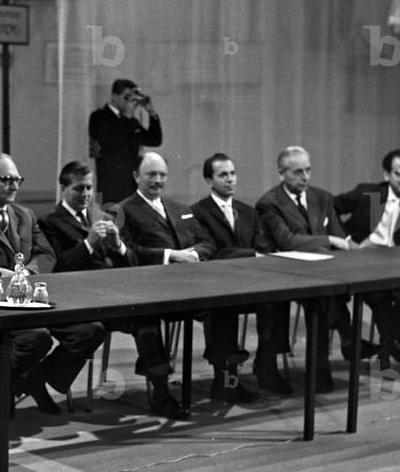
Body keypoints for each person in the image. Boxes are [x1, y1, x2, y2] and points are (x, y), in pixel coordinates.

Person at [0, 154, 106, 415]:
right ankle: (18, 386)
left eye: (18, 179)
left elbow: (47, 255)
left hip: (34, 300)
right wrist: (16, 277)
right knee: (36, 337)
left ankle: (23, 381)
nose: (15, 185)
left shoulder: (25, 215)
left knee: (90, 329)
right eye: (7, 179)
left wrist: (25, 273)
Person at [118, 151, 256, 411]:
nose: (158, 180)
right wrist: (172, 256)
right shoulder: (123, 210)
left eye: (162, 175)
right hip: (149, 291)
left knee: (223, 305)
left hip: (189, 289)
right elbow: (128, 252)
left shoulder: (180, 208)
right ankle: (160, 392)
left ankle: (226, 382)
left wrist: (193, 254)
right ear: (136, 176)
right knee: (145, 317)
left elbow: (207, 243)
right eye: (151, 175)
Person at [255, 145, 377, 393]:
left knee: (323, 298)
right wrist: (328, 240)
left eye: (308, 170)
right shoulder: (269, 203)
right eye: (297, 172)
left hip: (322, 275)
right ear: (281, 174)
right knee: (324, 296)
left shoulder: (322, 197)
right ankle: (341, 343)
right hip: (284, 272)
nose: (305, 177)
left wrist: (337, 243)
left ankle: (325, 363)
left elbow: (339, 235)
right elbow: (287, 241)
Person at [191, 153, 292, 396]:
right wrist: (250, 255)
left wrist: (255, 256)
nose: (230, 179)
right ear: (209, 180)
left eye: (232, 174)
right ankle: (225, 380)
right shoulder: (197, 212)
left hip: (251, 283)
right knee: (221, 305)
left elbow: (264, 247)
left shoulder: (248, 211)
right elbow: (211, 252)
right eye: (222, 175)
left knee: (279, 298)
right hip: (216, 284)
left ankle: (267, 366)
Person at [334, 149, 400, 368]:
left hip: (399, 267)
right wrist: (347, 240)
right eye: (399, 174)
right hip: (365, 262)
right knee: (379, 291)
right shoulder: (368, 193)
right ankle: (391, 344)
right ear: (387, 175)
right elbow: (329, 207)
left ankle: (387, 344)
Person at [38, 160, 133, 271]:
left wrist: (118, 245)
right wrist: (88, 244)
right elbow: (55, 266)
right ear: (63, 189)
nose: (85, 194)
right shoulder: (48, 222)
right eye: (79, 188)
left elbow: (132, 264)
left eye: (89, 188)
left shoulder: (106, 218)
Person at [88, 78, 163, 204]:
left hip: (132, 187)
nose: (131, 102)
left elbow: (155, 140)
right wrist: (128, 117)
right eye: (127, 97)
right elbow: (112, 143)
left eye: (133, 98)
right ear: (114, 97)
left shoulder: (131, 122)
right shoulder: (99, 117)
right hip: (111, 188)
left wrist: (151, 112)